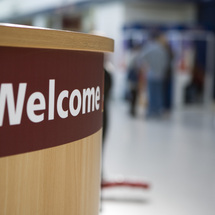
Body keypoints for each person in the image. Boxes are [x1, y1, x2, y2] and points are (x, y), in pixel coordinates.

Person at [139, 31, 170, 118]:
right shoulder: (163, 50)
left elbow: (142, 57)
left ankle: (151, 112)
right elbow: (166, 63)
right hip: (160, 75)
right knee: (159, 94)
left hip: (151, 74)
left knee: (152, 94)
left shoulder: (150, 48)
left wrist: (148, 65)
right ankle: (158, 111)